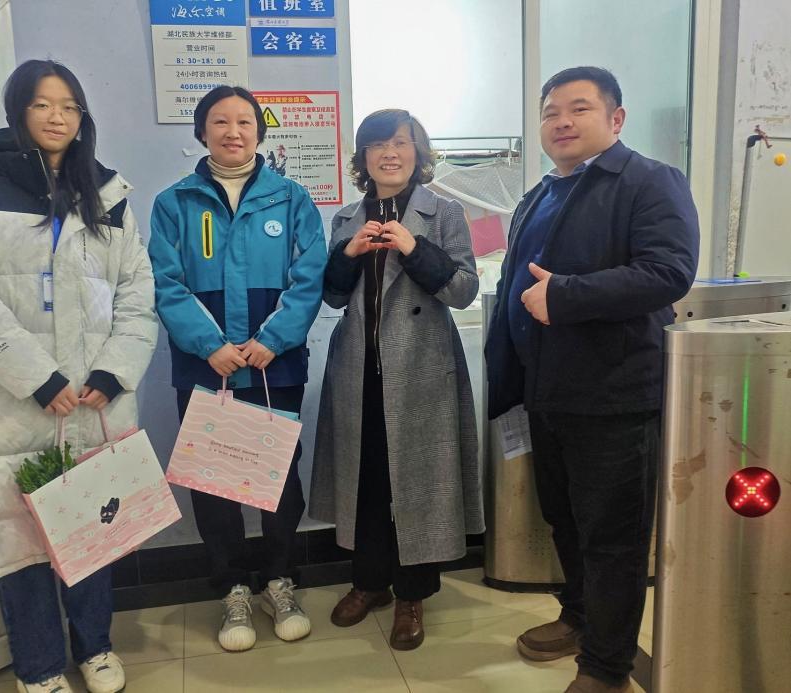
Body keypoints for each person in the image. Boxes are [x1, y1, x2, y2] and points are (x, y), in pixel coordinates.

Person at [0, 59, 157, 693]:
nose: (58, 117)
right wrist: (37, 377)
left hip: (93, 399)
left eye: (70, 106)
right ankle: (38, 668)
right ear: (18, 112)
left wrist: (114, 371)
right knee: (21, 541)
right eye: (42, 104)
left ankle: (96, 648)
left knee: (93, 526)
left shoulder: (109, 194)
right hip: (14, 404)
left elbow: (138, 293)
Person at [484, 66, 699, 693]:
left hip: (613, 395)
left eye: (579, 109)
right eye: (551, 112)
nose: (562, 122)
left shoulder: (649, 181)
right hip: (546, 392)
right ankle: (578, 617)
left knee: (613, 538)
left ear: (616, 118)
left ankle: (607, 666)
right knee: (566, 521)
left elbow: (669, 272)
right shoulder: (543, 192)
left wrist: (567, 296)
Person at [149, 85, 327, 652]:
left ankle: (280, 581)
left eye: (245, 121)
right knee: (213, 482)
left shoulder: (291, 199)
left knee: (280, 479)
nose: (233, 132)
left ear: (259, 130)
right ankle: (231, 588)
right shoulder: (174, 202)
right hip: (207, 369)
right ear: (201, 131)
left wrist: (273, 338)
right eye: (220, 121)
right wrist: (209, 345)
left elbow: (309, 277)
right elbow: (165, 282)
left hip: (276, 367)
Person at [309, 109, 483, 651]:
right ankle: (369, 583)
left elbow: (464, 291)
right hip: (358, 367)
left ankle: (412, 594)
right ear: (363, 158)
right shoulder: (345, 218)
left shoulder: (445, 212)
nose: (390, 153)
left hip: (422, 368)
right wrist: (349, 254)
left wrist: (413, 248)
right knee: (366, 478)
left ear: (417, 152)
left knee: (419, 480)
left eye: (401, 143)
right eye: (378, 145)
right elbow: (332, 296)